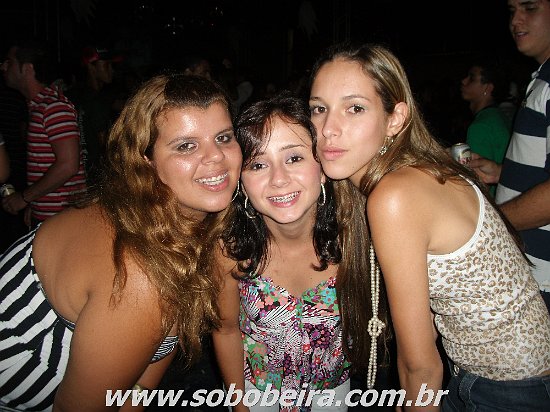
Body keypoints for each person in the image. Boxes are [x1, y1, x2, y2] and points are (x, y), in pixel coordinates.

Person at [308, 42, 550, 411]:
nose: (328, 129)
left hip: (512, 390)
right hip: (488, 377)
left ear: (395, 118)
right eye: (319, 109)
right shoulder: (409, 174)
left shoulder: (396, 195)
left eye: (354, 108)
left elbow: (420, 365)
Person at [0, 74, 242, 411]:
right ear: (146, 161)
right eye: (186, 145)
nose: (216, 157)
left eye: (223, 137)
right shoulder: (138, 276)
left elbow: (143, 378)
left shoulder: (172, 227)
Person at [212, 91, 383, 411]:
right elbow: (225, 330)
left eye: (294, 158)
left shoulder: (358, 240)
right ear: (241, 183)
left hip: (332, 394)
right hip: (256, 393)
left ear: (323, 167)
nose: (279, 179)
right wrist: (239, 406)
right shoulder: (230, 251)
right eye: (258, 164)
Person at [469, 0, 550, 312]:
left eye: (529, 7)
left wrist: (491, 222)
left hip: (543, 278)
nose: (516, 20)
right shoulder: (541, 77)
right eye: (512, 10)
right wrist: (502, 172)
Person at [0, 40, 86, 228]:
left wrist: (24, 198)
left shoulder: (53, 107)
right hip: (53, 217)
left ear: (27, 68)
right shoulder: (39, 106)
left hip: (63, 220)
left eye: (9, 62)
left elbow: (68, 165)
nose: (3, 67)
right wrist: (35, 202)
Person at [66, 45, 121, 186]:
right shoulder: (94, 99)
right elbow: (105, 145)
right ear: (91, 67)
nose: (111, 70)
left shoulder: (72, 95)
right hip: (94, 178)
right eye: (106, 65)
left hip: (77, 177)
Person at [460, 58, 511, 196]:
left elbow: (479, 187)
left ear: (487, 88)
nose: (463, 81)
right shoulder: (498, 116)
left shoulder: (481, 126)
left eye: (471, 78)